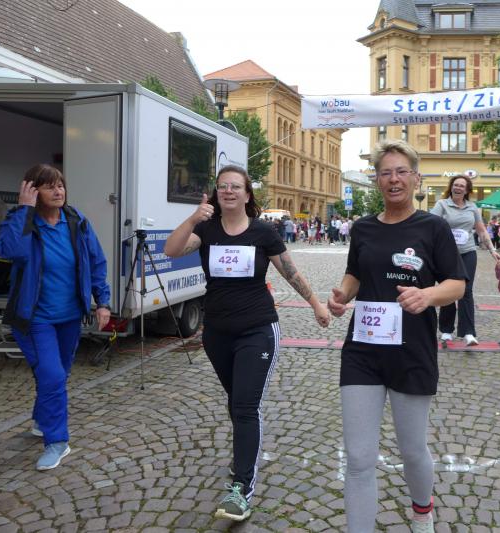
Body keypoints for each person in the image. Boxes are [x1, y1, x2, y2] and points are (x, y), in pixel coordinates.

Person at [164, 165, 330, 523]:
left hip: (258, 329)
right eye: (222, 186)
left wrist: (316, 303)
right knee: (235, 400)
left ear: (247, 194)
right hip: (217, 333)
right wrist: (192, 218)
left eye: (235, 186)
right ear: (216, 193)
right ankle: (244, 455)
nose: (228, 191)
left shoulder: (262, 232)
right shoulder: (206, 230)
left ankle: (241, 487)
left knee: (244, 405)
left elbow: (290, 271)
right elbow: (171, 250)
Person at [327, 140, 465, 533]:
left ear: (415, 178)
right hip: (363, 349)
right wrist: (342, 295)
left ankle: (422, 511)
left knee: (412, 450)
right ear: (376, 180)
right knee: (358, 458)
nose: (394, 179)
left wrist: (427, 295)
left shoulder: (433, 227)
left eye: (401, 171)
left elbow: (456, 284)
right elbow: (355, 273)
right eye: (385, 172)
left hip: (411, 350)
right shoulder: (363, 228)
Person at [0, 164, 111, 471]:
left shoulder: (76, 221)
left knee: (57, 373)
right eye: (49, 186)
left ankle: (41, 419)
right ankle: (57, 441)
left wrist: (102, 302)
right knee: (52, 375)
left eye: (60, 185)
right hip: (35, 319)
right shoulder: (22, 221)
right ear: (33, 191)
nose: (58, 191)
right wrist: (24, 210)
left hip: (70, 317)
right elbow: (10, 251)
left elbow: (96, 261)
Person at [430, 174, 500, 346]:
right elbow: (430, 226)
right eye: (456, 184)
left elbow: (481, 231)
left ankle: (468, 332)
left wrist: (492, 250)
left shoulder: (472, 207)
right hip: (446, 254)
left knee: (466, 291)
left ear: (467, 190)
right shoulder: (442, 204)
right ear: (451, 187)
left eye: (462, 186)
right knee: (448, 290)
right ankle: (446, 330)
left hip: (468, 252)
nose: (458, 188)